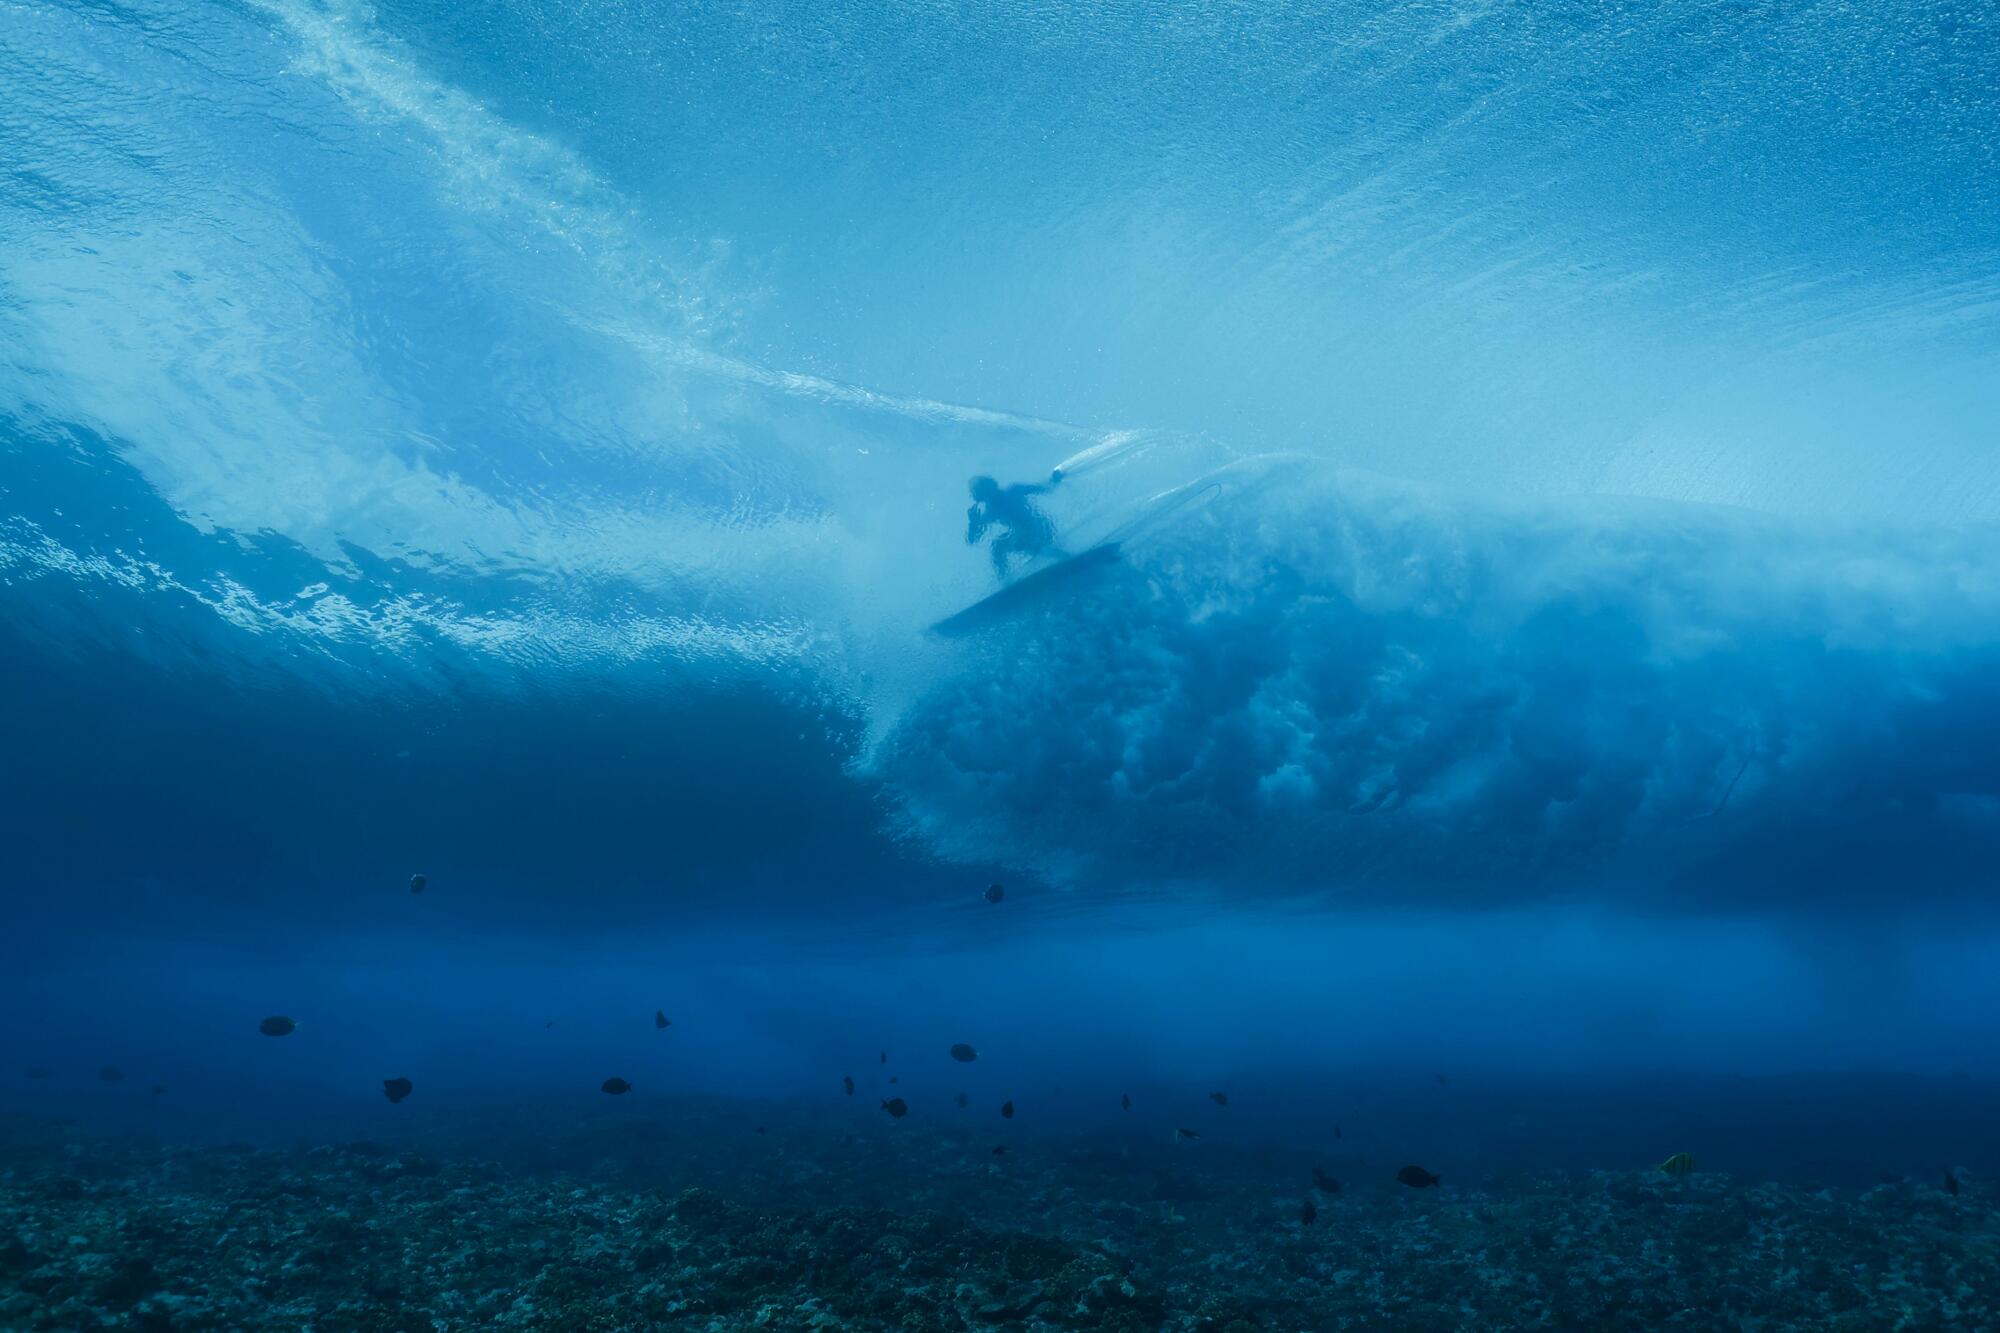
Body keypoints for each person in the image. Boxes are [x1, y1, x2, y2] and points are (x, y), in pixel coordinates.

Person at [966, 472, 1064, 580]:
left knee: (1009, 543)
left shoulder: (1012, 491)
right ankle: (1005, 579)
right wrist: (973, 524)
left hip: (1043, 528)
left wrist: (1054, 479)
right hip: (1026, 535)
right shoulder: (991, 510)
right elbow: (972, 540)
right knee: (998, 546)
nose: (972, 496)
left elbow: (1042, 488)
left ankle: (1061, 556)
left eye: (974, 492)